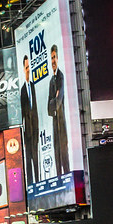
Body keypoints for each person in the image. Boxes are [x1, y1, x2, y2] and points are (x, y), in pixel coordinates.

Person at [46, 45, 69, 178]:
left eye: (54, 57)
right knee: (56, 153)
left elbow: (58, 101)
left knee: (64, 154)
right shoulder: (51, 81)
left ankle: (66, 177)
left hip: (62, 121)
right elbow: (49, 110)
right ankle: (60, 178)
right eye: (51, 58)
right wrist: (53, 101)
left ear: (58, 58)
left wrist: (54, 101)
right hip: (55, 124)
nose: (53, 61)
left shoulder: (61, 77)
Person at [20, 54, 40, 182]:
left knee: (36, 159)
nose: (28, 70)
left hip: (35, 130)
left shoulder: (33, 86)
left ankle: (38, 180)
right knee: (28, 160)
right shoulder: (22, 90)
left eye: (29, 67)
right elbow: (22, 115)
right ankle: (31, 183)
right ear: (23, 69)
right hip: (27, 133)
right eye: (26, 67)